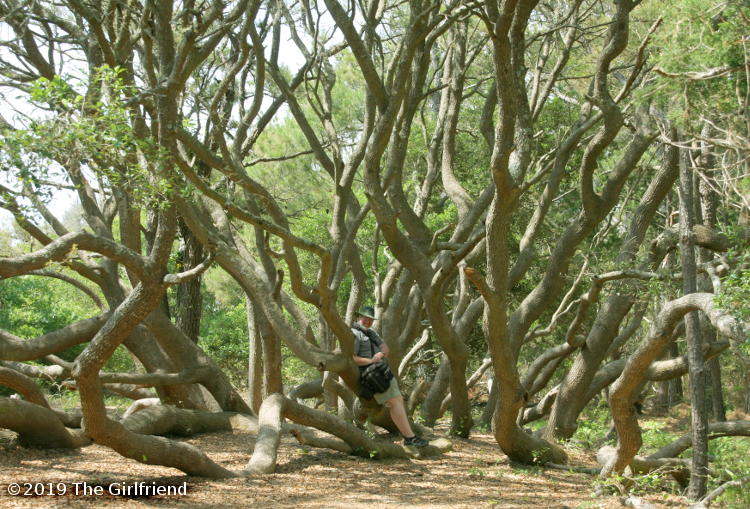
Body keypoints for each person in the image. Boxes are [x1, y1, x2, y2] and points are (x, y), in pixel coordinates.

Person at [351, 306, 428, 447]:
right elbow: (352, 358)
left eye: (370, 319)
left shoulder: (371, 333)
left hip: (382, 371)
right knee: (395, 402)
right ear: (358, 317)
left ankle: (409, 437)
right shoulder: (354, 333)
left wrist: (380, 354)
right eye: (365, 318)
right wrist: (371, 361)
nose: (367, 321)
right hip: (373, 375)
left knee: (397, 401)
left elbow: (386, 349)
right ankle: (410, 438)